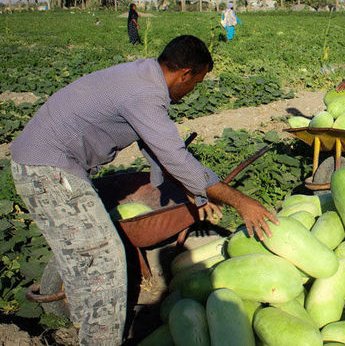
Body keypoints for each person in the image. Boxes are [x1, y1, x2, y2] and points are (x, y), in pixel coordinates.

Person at [10, 35, 277, 346]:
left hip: (46, 161)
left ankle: (86, 332)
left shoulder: (141, 75)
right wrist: (242, 202)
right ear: (185, 74)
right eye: (197, 83)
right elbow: (175, 156)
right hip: (49, 168)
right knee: (103, 262)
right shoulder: (145, 94)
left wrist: (194, 190)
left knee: (88, 264)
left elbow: (157, 150)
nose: (193, 92)